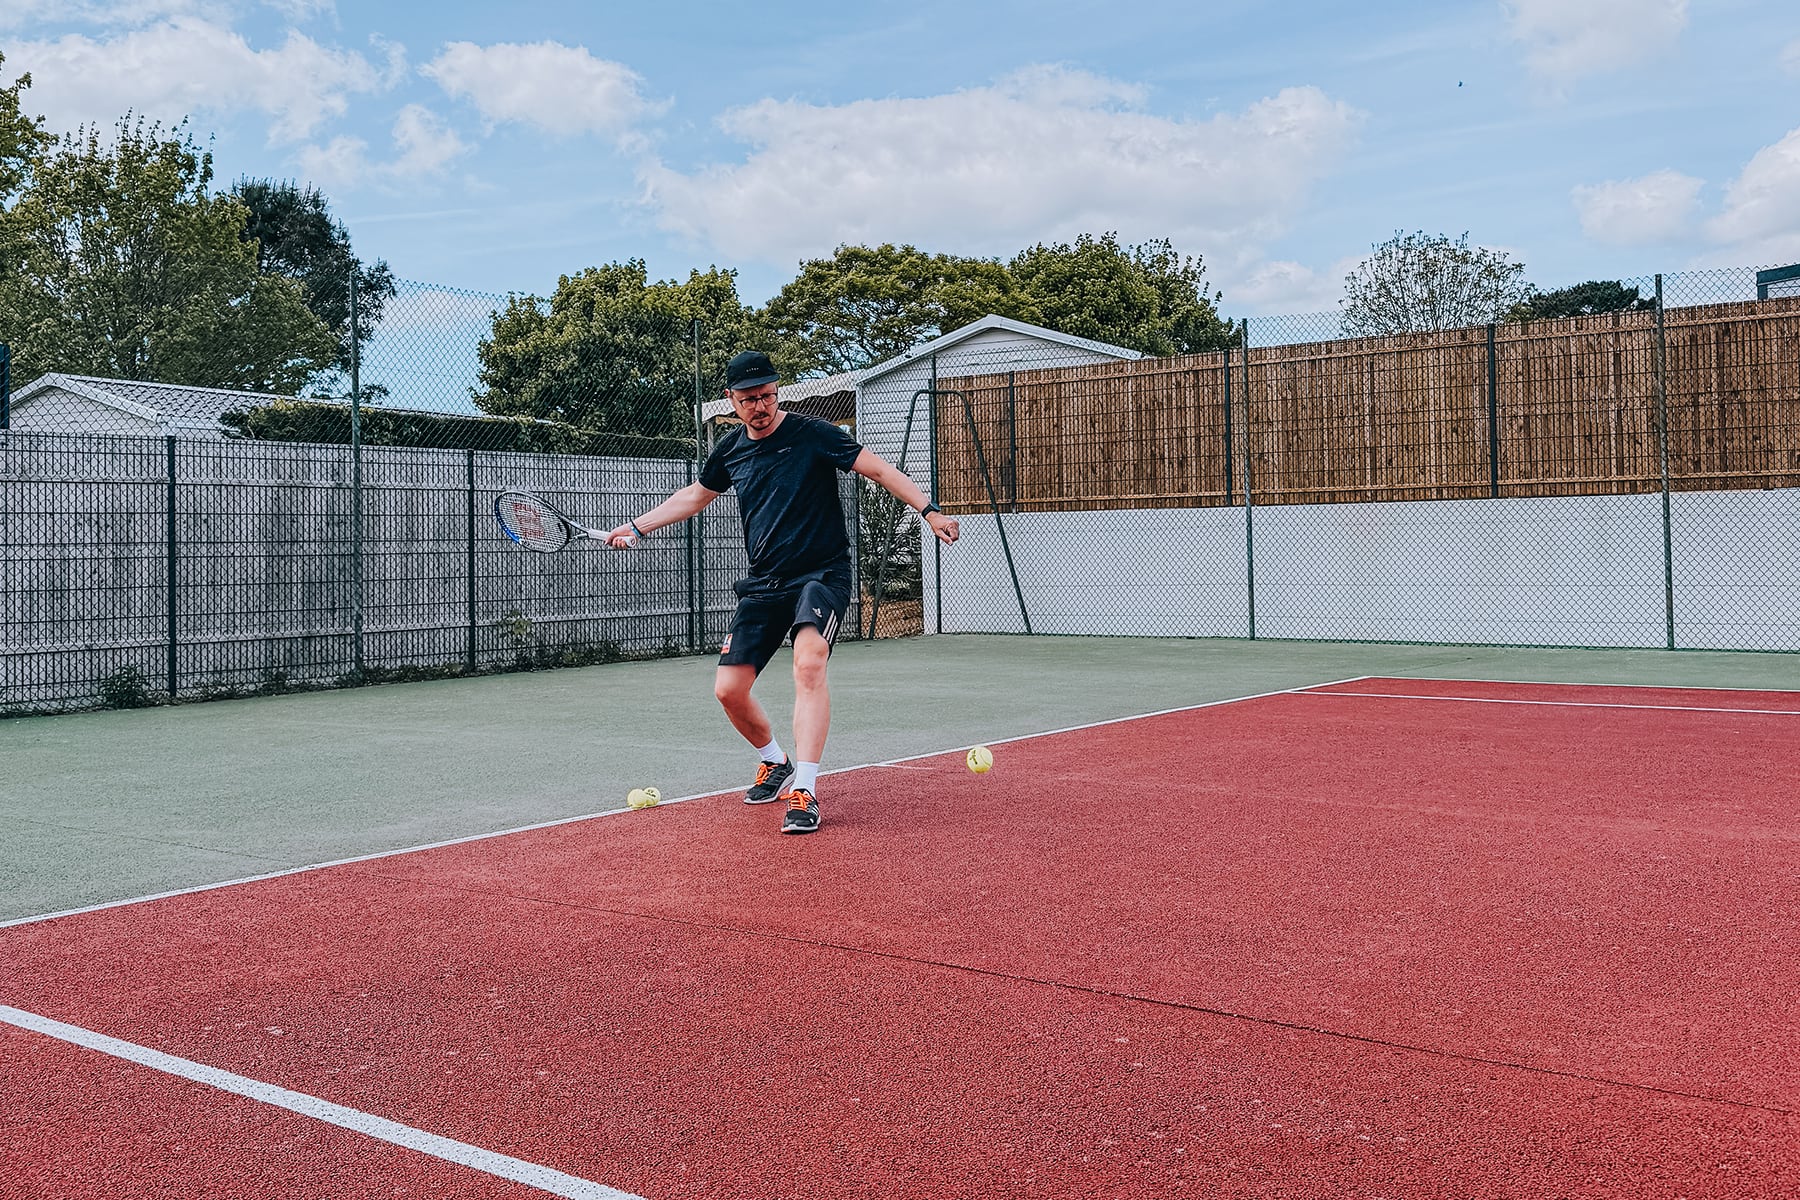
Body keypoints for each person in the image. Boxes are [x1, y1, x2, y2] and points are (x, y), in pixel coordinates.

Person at [605, 350, 958, 834]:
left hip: (821, 574)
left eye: (768, 395)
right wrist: (634, 527)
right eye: (749, 399)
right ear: (731, 401)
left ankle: (805, 790)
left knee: (809, 661)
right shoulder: (731, 450)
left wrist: (930, 510)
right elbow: (693, 497)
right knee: (729, 690)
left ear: (777, 393)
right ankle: (775, 762)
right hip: (765, 581)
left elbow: (878, 469)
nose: (761, 406)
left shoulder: (814, 434)